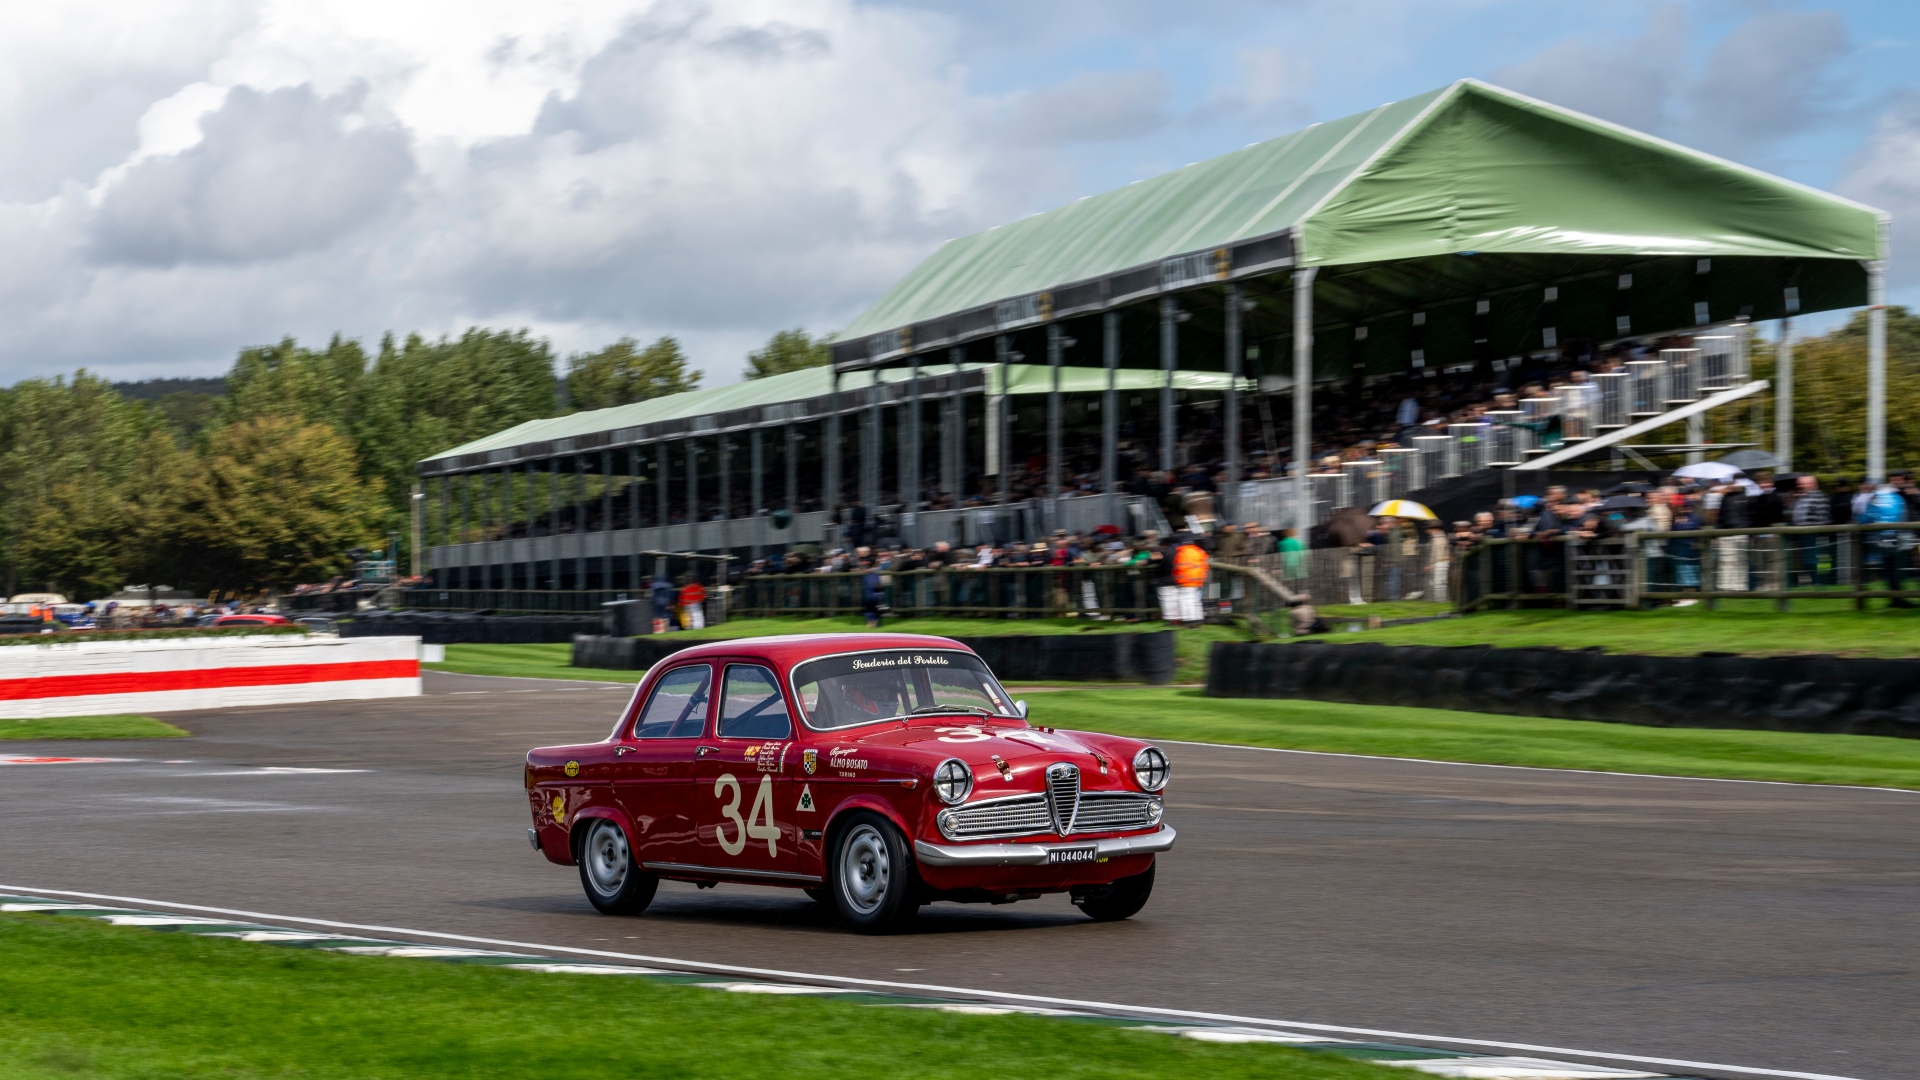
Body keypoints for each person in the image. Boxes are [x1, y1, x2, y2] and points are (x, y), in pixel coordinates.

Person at [1171, 533, 1210, 626]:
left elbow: (1179, 567)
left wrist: (1177, 578)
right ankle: (1198, 618)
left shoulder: (1182, 552)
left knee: (1186, 600)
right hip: (1198, 578)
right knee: (1196, 599)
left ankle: (1189, 620)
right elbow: (1205, 565)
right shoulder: (1199, 551)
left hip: (1186, 579)